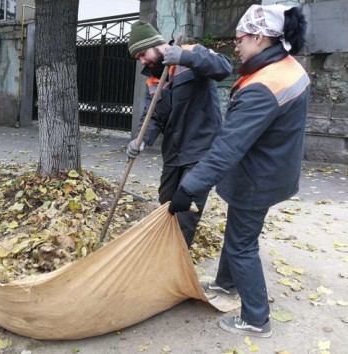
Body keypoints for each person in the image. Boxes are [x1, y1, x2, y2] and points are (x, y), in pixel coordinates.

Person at [168, 5, 309, 337]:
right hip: (275, 169)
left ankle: (256, 319)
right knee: (239, 235)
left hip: (257, 178)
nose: (235, 45)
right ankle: (225, 285)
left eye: (240, 38)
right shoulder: (288, 67)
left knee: (241, 245)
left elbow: (228, 146)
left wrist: (188, 188)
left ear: (260, 38)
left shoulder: (263, 86)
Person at [126, 21, 233, 247]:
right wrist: (140, 140)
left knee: (185, 208)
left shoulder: (192, 54)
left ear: (156, 45)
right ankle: (166, 246)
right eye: (138, 58)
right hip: (173, 153)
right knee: (167, 201)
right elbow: (151, 115)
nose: (142, 61)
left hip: (201, 151)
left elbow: (224, 67)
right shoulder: (154, 79)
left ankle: (175, 260)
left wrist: (185, 58)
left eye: (142, 54)